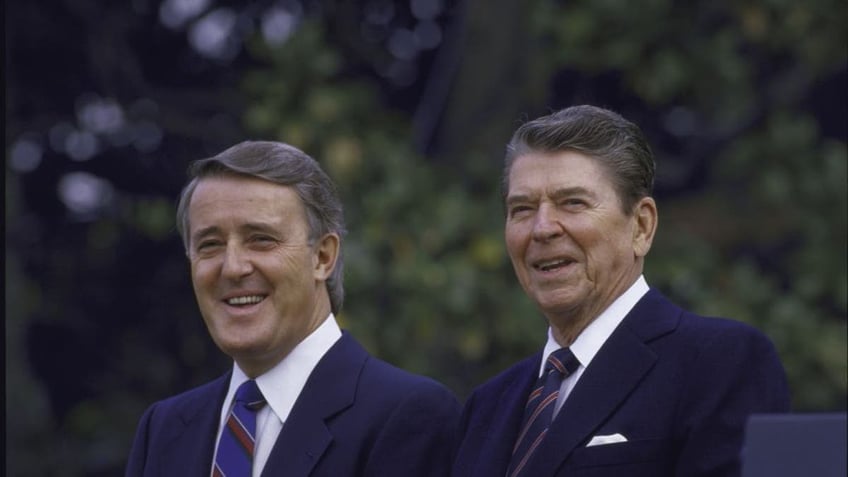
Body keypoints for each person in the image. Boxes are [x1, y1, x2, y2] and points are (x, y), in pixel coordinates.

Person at [451, 105, 791, 477]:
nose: (542, 228)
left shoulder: (718, 364)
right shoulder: (487, 406)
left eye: (573, 203)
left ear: (641, 227)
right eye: (522, 209)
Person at [126, 140, 461, 477]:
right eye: (210, 245)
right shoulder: (164, 429)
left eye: (261, 239)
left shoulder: (408, 416)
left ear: (323, 257)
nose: (232, 267)